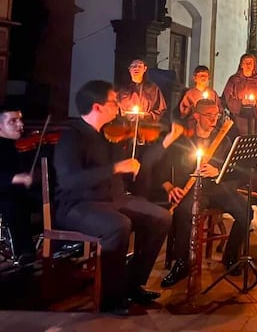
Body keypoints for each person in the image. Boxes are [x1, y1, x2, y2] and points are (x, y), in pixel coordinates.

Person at [53, 80, 175, 315]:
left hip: (112, 199)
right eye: (113, 101)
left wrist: (158, 148)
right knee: (119, 225)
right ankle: (111, 297)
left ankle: (133, 283)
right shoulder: (71, 137)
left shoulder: (105, 136)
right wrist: (116, 168)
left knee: (161, 217)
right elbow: (70, 181)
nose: (118, 106)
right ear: (97, 107)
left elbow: (128, 169)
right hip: (78, 205)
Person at [160, 99, 251, 288]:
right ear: (196, 116)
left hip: (218, 189)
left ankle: (231, 256)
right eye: (209, 116)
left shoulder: (224, 139)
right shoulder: (183, 140)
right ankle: (183, 262)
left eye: (216, 115)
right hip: (192, 190)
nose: (214, 120)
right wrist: (169, 187)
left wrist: (217, 171)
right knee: (185, 212)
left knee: (246, 212)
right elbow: (163, 167)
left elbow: (233, 171)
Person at [0, 107, 36, 260]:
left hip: (21, 194)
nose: (20, 124)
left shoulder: (20, 145)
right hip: (4, 196)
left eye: (20, 119)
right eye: (13, 121)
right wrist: (14, 178)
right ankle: (22, 253)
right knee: (14, 205)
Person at [222, 53, 257, 136]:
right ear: (241, 65)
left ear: (254, 65)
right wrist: (241, 102)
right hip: (238, 116)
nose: (248, 65)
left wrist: (256, 103)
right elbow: (227, 98)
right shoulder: (234, 80)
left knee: (253, 137)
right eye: (245, 62)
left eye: (250, 63)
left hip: (254, 116)